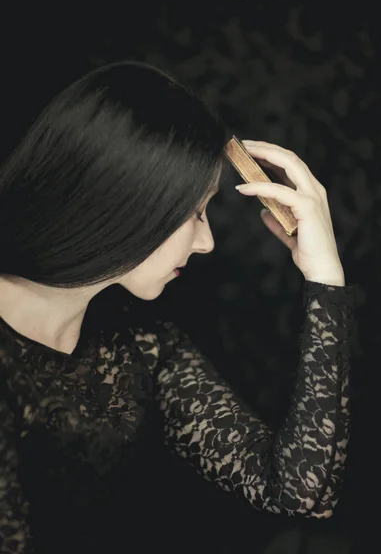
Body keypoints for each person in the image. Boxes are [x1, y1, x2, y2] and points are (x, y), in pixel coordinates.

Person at [0, 60, 359, 553]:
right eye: (194, 212)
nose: (206, 241)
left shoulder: (137, 339)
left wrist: (326, 280)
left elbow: (299, 493)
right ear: (126, 199)